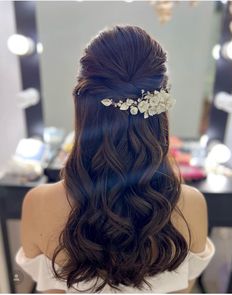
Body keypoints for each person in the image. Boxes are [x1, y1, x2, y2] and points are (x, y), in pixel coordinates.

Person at [16, 25, 215, 293]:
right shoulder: (192, 205)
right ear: (160, 106)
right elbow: (183, 289)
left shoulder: (38, 204)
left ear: (83, 104)